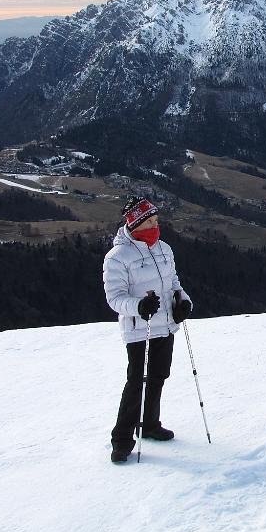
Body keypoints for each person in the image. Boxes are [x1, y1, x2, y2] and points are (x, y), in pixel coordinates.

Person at [103, 196, 194, 464]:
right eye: (151, 221)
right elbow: (114, 298)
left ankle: (150, 424)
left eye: (156, 220)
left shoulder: (164, 249)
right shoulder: (118, 258)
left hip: (165, 324)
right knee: (137, 382)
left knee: (158, 376)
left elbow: (174, 282)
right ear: (137, 224)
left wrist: (183, 301)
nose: (156, 225)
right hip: (139, 329)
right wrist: (139, 306)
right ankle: (121, 439)